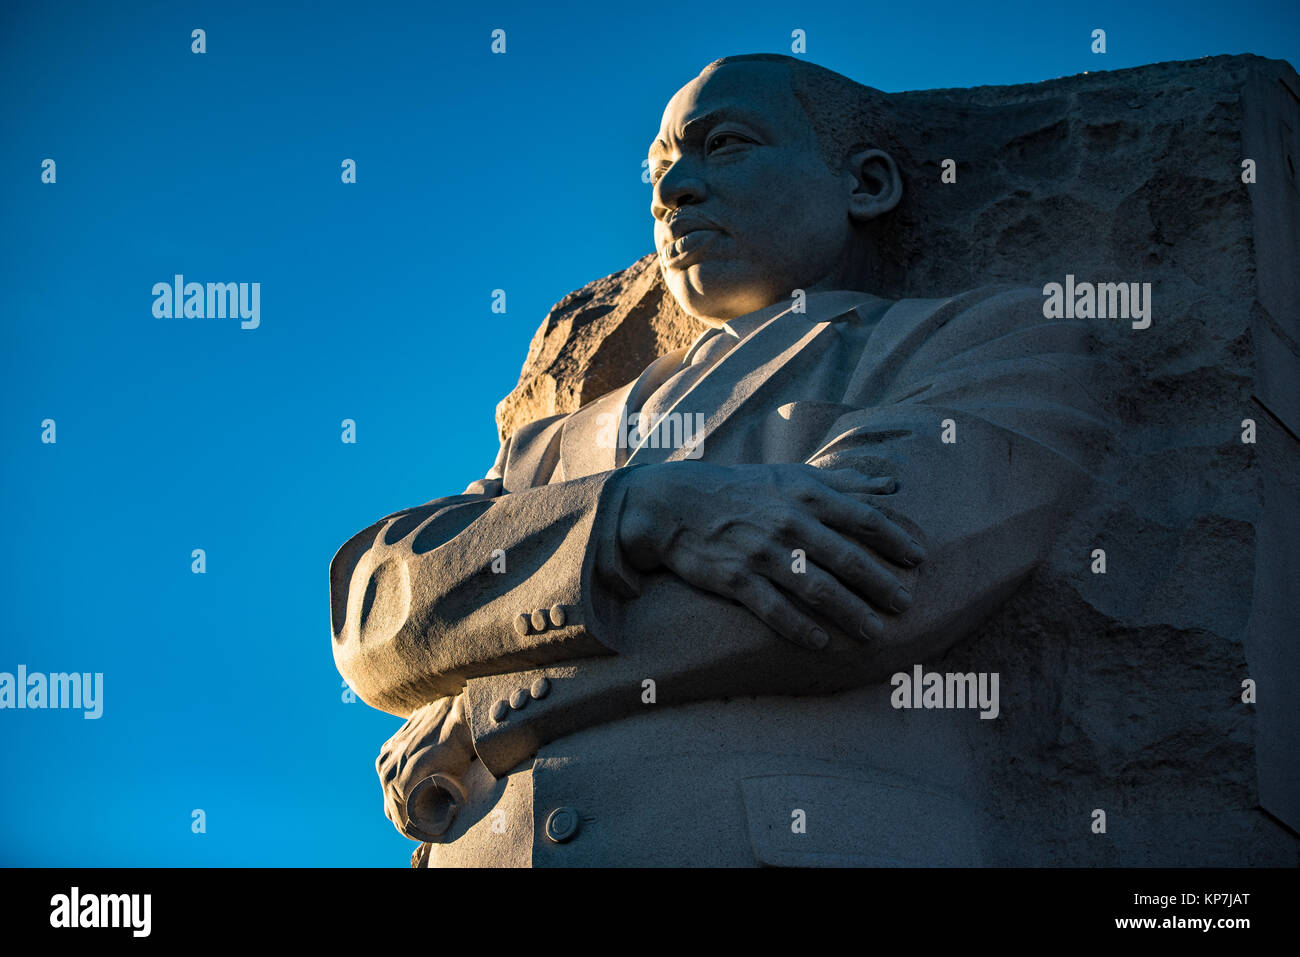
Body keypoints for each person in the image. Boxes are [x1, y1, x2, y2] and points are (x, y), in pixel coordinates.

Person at [329, 53, 1111, 866]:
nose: (671, 193)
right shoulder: (551, 444)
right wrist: (640, 514)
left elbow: (858, 579)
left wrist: (487, 700)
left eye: (726, 146)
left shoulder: (978, 341)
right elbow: (376, 611)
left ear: (866, 185)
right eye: (660, 169)